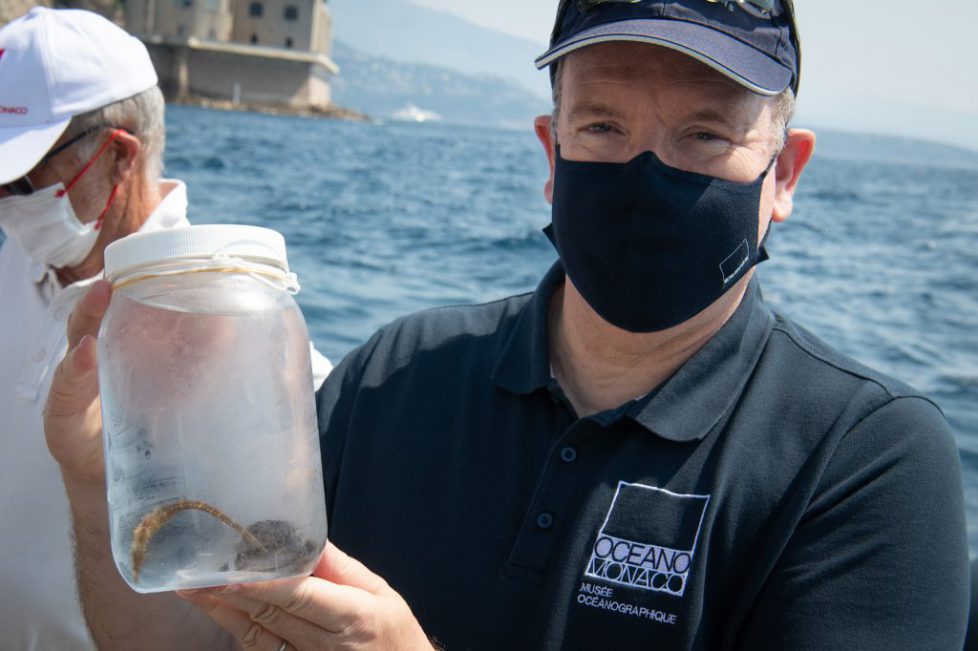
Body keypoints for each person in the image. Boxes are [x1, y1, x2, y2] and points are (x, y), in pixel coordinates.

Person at [43, 0, 970, 649]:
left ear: (785, 172)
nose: (646, 173)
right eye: (601, 127)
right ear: (550, 152)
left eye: (705, 135)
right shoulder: (392, 377)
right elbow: (189, 641)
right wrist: (101, 486)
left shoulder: (864, 463)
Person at [0, 9, 331, 650]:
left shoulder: (245, 342)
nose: (3, 202)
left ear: (117, 157)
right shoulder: (13, 259)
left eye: (20, 180)